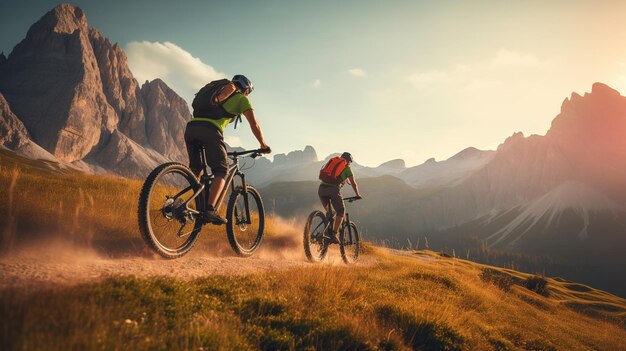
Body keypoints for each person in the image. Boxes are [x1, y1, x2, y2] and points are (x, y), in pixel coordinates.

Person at [184, 74, 270, 224]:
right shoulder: (242, 99)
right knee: (221, 171)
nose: (247, 95)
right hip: (209, 131)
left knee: (196, 171)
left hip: (191, 129)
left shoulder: (216, 93)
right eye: (248, 93)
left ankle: (186, 206)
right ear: (246, 90)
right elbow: (254, 124)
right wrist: (263, 145)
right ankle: (210, 210)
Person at [318, 152, 362, 243]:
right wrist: (357, 194)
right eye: (350, 162)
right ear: (348, 161)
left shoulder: (332, 164)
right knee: (341, 211)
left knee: (331, 213)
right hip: (333, 191)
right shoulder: (347, 169)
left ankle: (326, 234)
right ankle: (333, 234)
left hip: (321, 190)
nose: (350, 164)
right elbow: (353, 183)